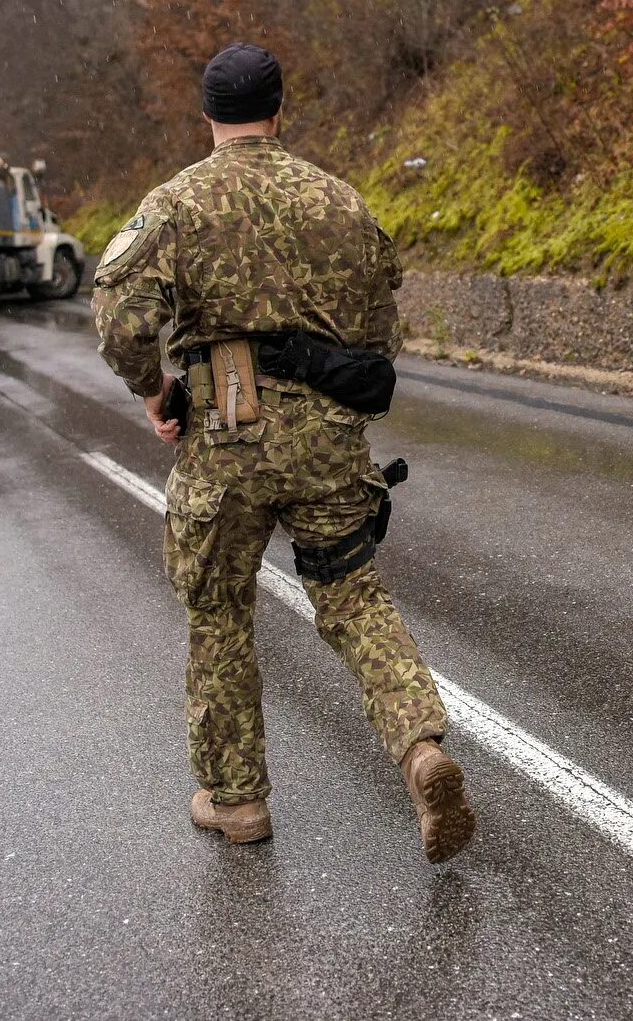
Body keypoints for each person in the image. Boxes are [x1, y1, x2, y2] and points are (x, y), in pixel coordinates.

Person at [92, 42, 475, 863]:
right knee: (352, 597)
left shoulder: (176, 203)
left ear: (207, 118)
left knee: (221, 612)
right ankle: (420, 749)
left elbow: (121, 322)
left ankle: (238, 801)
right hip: (328, 442)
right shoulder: (341, 203)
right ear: (280, 109)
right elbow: (380, 341)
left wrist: (157, 393)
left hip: (224, 440)